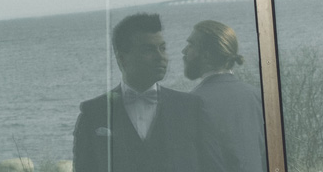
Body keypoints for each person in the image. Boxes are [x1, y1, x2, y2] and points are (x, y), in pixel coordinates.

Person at [73, 13, 224, 172]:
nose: (161, 57)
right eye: (148, 50)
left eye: (162, 48)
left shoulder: (192, 109)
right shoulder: (93, 114)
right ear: (122, 59)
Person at [183, 20, 267, 172]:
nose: (184, 51)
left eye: (191, 45)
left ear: (206, 56)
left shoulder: (191, 105)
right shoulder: (258, 96)